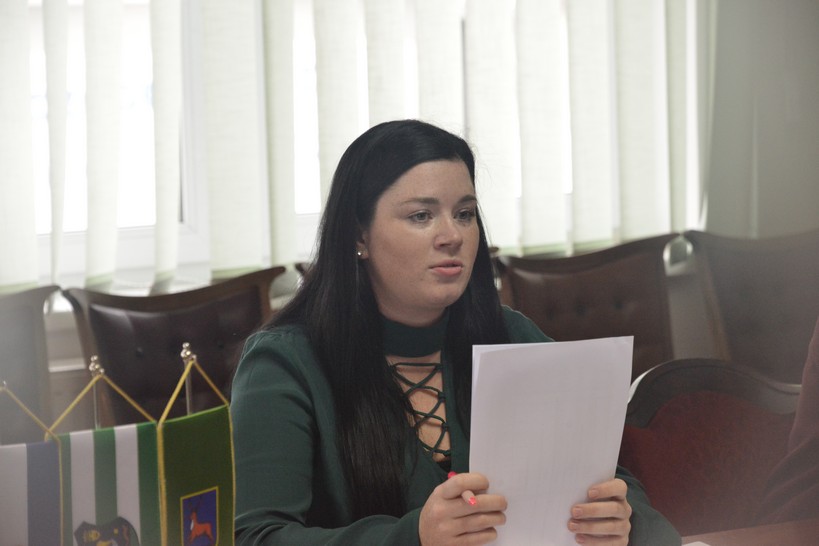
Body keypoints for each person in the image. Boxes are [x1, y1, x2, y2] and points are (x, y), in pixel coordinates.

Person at [230, 119, 681, 545]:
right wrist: (415, 538)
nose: (452, 235)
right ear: (358, 236)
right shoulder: (285, 363)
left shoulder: (510, 335)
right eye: (421, 216)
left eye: (464, 213)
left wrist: (621, 522)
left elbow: (611, 479)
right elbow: (258, 537)